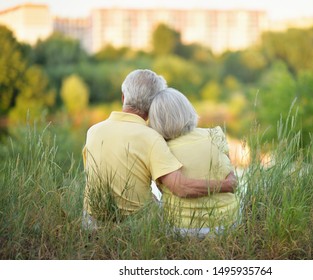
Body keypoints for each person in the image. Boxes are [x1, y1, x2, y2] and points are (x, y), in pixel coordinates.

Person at [82, 69, 236, 228]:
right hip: (135, 224)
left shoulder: (93, 131)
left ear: (123, 97)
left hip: (91, 220)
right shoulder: (151, 138)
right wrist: (225, 185)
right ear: (154, 105)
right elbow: (180, 187)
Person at [148, 87, 240, 238]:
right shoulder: (215, 133)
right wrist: (225, 186)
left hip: (182, 229)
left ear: (156, 120)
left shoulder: (161, 149)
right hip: (230, 223)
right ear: (187, 109)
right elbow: (229, 174)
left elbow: (177, 188)